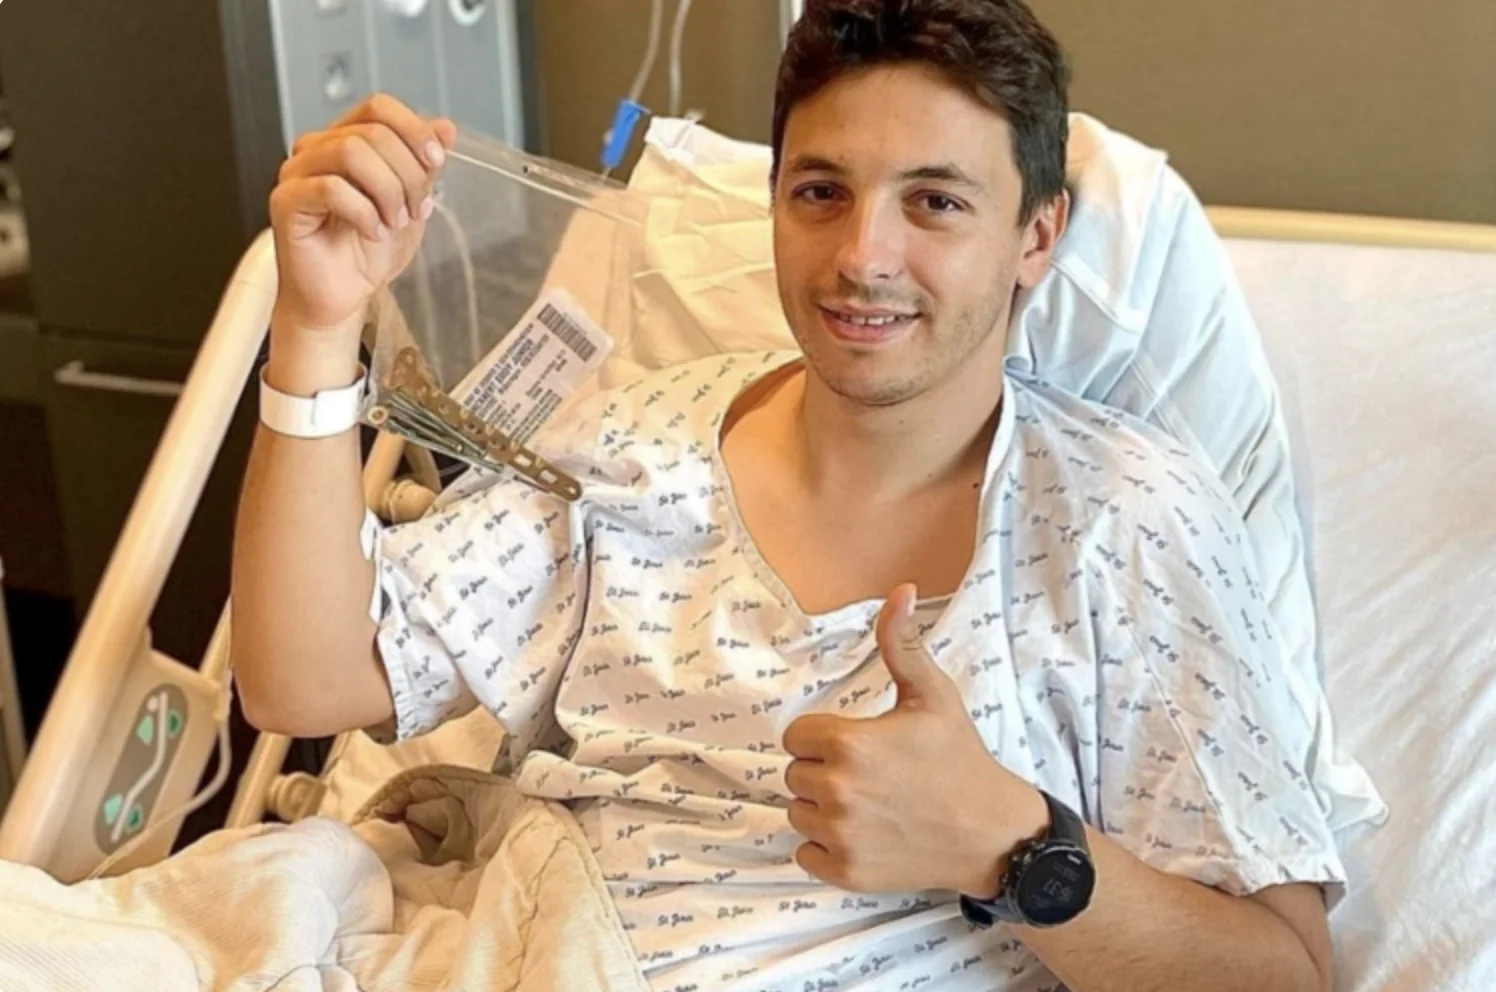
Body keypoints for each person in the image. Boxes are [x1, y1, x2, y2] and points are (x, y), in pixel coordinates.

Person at [233, 2, 1342, 990]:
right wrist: (318, 324)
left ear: (1035, 236)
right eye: (821, 192)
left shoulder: (1124, 521)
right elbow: (303, 679)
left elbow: (1285, 972)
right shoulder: (634, 448)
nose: (863, 255)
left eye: (934, 202)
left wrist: (1007, 844)